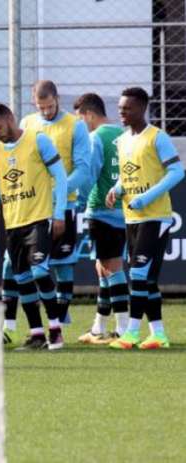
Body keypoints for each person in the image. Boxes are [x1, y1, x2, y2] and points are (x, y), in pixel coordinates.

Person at [0, 102, 68, 350]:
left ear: (10, 117)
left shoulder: (38, 140)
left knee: (40, 270)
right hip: (13, 225)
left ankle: (55, 329)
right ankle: (37, 334)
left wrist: (59, 213)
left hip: (39, 219)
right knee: (22, 278)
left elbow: (60, 176)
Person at [106, 87, 184, 350]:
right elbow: (129, 174)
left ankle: (131, 333)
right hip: (132, 217)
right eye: (120, 109)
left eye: (127, 109)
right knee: (148, 279)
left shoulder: (157, 137)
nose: (122, 113)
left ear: (141, 109)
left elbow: (176, 172)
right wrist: (117, 188)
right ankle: (159, 334)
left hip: (155, 216)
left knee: (138, 273)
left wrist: (147, 197)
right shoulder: (123, 140)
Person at [13, 80, 91, 327]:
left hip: (63, 205)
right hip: (32, 208)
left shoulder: (75, 126)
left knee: (63, 264)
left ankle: (60, 319)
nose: (46, 112)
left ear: (57, 98)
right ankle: (19, 323)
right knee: (25, 266)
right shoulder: (27, 123)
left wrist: (57, 191)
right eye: (41, 107)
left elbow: (83, 170)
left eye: (49, 106)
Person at [72, 93, 130, 344]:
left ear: (88, 114)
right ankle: (99, 327)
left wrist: (80, 199)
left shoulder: (96, 138)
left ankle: (125, 328)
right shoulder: (124, 135)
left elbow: (91, 172)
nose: (79, 126)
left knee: (111, 267)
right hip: (125, 210)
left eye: (79, 119)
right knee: (102, 268)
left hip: (101, 210)